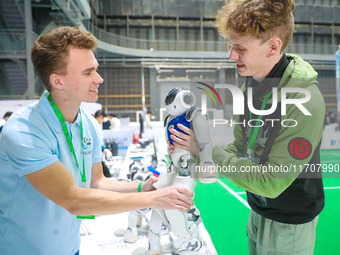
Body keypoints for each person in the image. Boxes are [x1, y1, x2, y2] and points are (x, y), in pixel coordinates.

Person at [0, 26, 194, 255]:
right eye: (87, 72)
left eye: (96, 70)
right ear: (58, 81)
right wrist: (152, 198)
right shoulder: (24, 130)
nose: (99, 79)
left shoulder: (88, 123)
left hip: (71, 249)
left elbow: (96, 182)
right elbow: (73, 199)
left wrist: (142, 187)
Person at [170, 0, 325, 254]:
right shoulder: (250, 87)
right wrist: (199, 148)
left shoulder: (304, 101)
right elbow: (241, 148)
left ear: (273, 47)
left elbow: (271, 181)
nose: (232, 55)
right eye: (232, 46)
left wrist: (206, 150)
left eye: (240, 48)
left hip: (289, 225)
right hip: (258, 210)